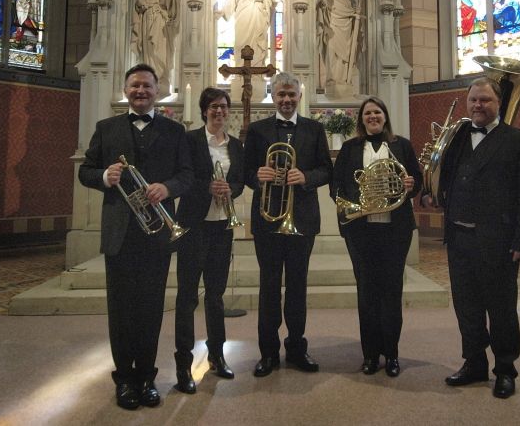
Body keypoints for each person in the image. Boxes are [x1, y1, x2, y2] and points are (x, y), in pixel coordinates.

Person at [78, 64, 193, 410]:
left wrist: (166, 187)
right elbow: (85, 170)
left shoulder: (174, 131)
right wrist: (104, 176)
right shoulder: (106, 127)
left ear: (157, 91)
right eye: (135, 86)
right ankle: (124, 378)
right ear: (126, 90)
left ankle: (146, 376)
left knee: (151, 307)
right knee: (121, 308)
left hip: (157, 232)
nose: (140, 91)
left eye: (147, 86)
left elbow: (187, 175)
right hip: (121, 233)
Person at [429, 76, 520, 399]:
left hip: (500, 240)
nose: (478, 106)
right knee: (467, 307)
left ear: (498, 104)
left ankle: (505, 369)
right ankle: (474, 362)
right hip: (460, 238)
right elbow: (442, 175)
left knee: (501, 308)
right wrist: (430, 193)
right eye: (473, 100)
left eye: (485, 100)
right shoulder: (459, 136)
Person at [244, 71, 331, 376]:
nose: (286, 100)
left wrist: (306, 177)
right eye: (281, 94)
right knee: (269, 287)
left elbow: (326, 169)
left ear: (299, 97)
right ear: (273, 96)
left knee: (297, 287)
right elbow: (245, 172)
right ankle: (268, 353)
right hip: (268, 221)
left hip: (301, 220)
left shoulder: (314, 128)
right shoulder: (256, 130)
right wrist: (258, 176)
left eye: (291, 95)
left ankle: (297, 348)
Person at [330, 97, 421, 377]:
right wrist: (356, 204)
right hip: (361, 230)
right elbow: (337, 186)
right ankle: (370, 355)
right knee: (367, 293)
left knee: (392, 292)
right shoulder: (349, 148)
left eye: (377, 112)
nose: (373, 116)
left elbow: (416, 181)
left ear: (385, 116)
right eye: (368, 113)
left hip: (395, 230)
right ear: (361, 118)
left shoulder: (401, 145)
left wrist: (409, 184)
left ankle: (391, 355)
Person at [173, 87, 244, 392]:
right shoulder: (189, 140)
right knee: (187, 296)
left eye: (224, 107)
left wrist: (231, 189)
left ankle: (216, 355)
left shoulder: (236, 145)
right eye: (214, 107)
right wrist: (208, 188)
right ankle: (183, 364)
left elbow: (239, 180)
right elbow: (182, 178)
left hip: (221, 227)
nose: (219, 111)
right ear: (204, 111)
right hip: (193, 226)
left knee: (215, 295)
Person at [132, 0, 179, 94]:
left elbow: (174, 12)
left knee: (161, 52)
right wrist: (141, 4)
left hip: (161, 26)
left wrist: (164, 14)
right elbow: (139, 9)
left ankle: (161, 80)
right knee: (149, 52)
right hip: (147, 24)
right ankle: (149, 80)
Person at [220, 0, 272, 69]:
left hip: (257, 18)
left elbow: (270, 2)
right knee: (240, 44)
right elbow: (231, 0)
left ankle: (257, 68)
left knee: (256, 46)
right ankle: (240, 69)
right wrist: (223, 11)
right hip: (242, 18)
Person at [317, 0, 364, 87]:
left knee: (345, 56)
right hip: (332, 26)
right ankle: (331, 79)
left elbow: (350, 11)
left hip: (345, 28)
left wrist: (355, 11)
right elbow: (322, 9)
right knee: (331, 51)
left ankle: (343, 80)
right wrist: (323, 5)